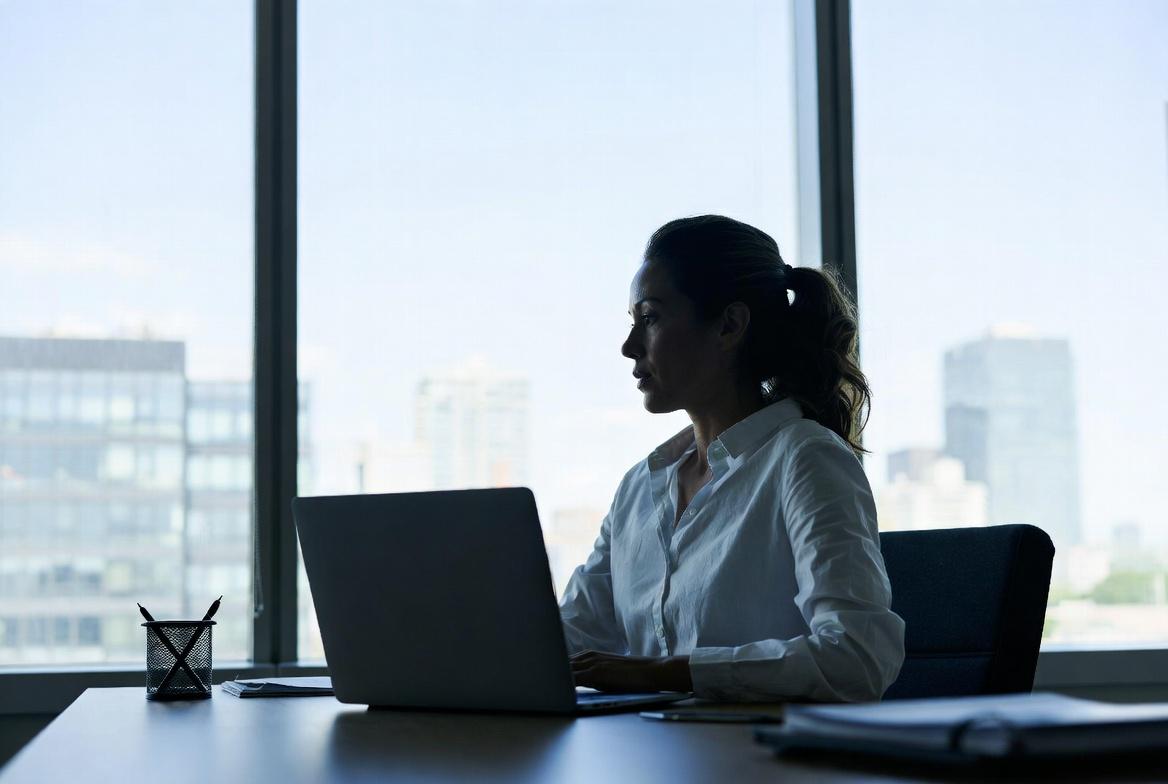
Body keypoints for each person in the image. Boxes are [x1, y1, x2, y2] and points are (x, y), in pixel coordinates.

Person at [560, 215, 905, 703]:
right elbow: (570, 638)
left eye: (650, 318)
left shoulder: (805, 459)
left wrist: (665, 673)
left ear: (729, 325)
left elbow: (857, 658)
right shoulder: (641, 486)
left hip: (760, 750)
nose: (629, 346)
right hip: (646, 746)